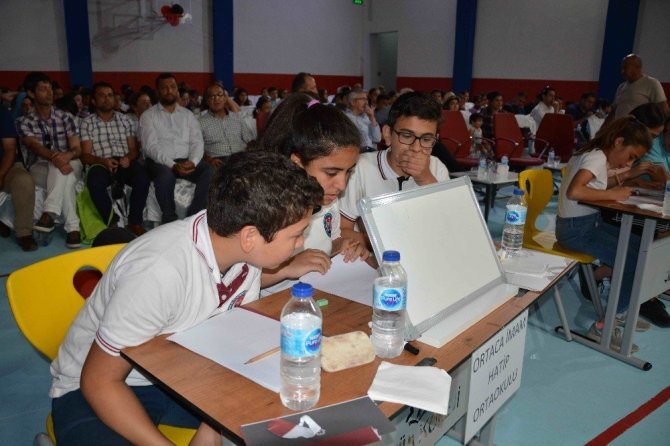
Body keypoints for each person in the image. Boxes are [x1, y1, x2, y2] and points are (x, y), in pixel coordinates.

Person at [48, 151, 322, 445]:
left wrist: (212, 423)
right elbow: (99, 382)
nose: (301, 243)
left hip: (177, 374)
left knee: (292, 406)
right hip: (100, 386)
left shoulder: (239, 248)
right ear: (250, 237)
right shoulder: (158, 272)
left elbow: (222, 322)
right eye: (296, 235)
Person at [555, 117, 656, 350]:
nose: (629, 162)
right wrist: (615, 195)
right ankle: (605, 326)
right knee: (632, 261)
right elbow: (575, 191)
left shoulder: (595, 154)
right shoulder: (597, 157)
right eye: (631, 156)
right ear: (618, 142)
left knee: (641, 246)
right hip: (576, 230)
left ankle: (621, 308)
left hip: (585, 224)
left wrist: (623, 181)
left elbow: (597, 184)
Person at [257, 95, 370, 291]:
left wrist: (342, 246)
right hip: (269, 302)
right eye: (331, 173)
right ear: (297, 163)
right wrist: (287, 268)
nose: (341, 185)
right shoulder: (262, 206)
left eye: (349, 172)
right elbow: (233, 279)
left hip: (315, 292)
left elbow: (329, 241)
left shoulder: (328, 198)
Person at [340, 92, 449, 246]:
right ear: (387, 134)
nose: (416, 148)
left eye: (426, 139)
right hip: (373, 254)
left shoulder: (437, 168)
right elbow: (341, 230)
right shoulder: (360, 168)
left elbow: (448, 224)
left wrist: (426, 179)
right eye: (406, 136)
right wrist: (387, 242)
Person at [17, 72, 83, 248]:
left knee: (60, 169)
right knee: (62, 173)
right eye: (43, 89)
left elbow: (77, 149)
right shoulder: (24, 121)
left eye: (50, 89)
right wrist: (56, 158)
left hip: (70, 162)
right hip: (39, 167)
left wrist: (66, 156)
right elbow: (34, 146)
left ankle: (49, 213)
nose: (50, 93)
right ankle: (73, 228)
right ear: (31, 93)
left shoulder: (66, 117)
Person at [140, 73, 212, 224]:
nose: (169, 91)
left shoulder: (188, 115)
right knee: (165, 175)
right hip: (159, 162)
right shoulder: (148, 116)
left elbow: (197, 141)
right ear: (158, 92)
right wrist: (172, 165)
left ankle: (194, 217)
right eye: (164, 88)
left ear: (177, 90)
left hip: (186, 160)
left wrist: (193, 161)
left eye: (172, 87)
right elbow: (150, 147)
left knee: (209, 171)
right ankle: (169, 219)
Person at [80, 82, 150, 236]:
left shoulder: (125, 120)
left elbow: (134, 150)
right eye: (101, 96)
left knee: (142, 178)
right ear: (93, 101)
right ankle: (112, 222)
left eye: (110, 95)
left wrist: (128, 158)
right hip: (100, 162)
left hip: (124, 160)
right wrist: (103, 161)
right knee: (94, 182)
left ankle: (135, 222)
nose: (107, 99)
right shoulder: (87, 123)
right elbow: (85, 155)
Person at [0, 107, 38, 251]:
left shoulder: (2, 114)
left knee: (23, 180)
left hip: (6, 165)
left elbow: (10, 149)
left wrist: (1, 174)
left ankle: (24, 232)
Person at [198, 83, 253, 169]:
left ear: (225, 98)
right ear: (207, 101)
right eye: (212, 96)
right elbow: (196, 148)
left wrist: (250, 153)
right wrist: (209, 160)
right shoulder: (200, 122)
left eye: (219, 95)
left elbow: (249, 140)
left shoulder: (237, 118)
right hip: (218, 161)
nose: (216, 99)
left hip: (241, 158)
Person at [610, 54, 669, 121]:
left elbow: (664, 110)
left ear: (637, 67)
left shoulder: (651, 83)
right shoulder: (621, 87)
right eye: (622, 68)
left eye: (625, 68)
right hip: (621, 126)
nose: (622, 71)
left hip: (639, 127)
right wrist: (605, 127)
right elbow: (614, 111)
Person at [345, 88, 382, 153]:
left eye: (366, 99)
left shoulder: (367, 117)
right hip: (358, 154)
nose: (366, 102)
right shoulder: (346, 118)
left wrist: (372, 117)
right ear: (353, 102)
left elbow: (377, 139)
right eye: (363, 99)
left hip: (371, 153)